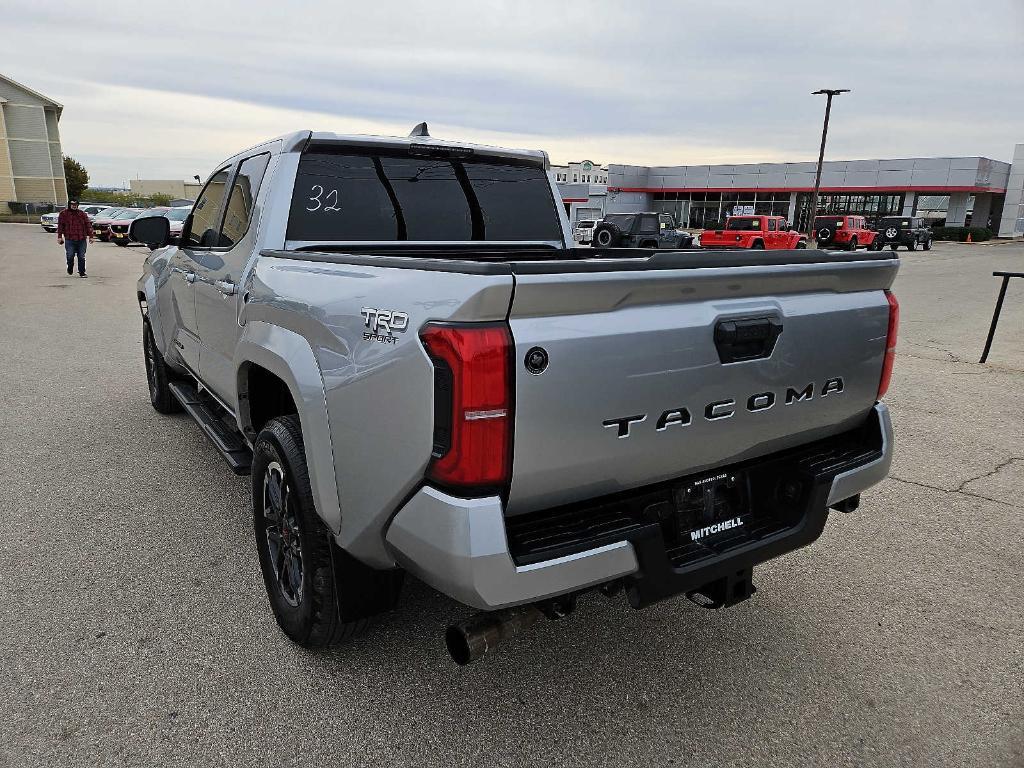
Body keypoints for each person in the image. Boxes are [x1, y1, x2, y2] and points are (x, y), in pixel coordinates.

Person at [57, 199, 94, 278]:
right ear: (69, 205)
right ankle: (70, 267)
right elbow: (60, 226)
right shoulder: (63, 214)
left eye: (76, 204)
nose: (74, 206)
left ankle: (82, 272)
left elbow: (88, 225)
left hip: (81, 239)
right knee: (70, 255)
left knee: (81, 256)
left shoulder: (82, 214)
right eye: (72, 204)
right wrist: (59, 237)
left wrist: (91, 236)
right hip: (69, 239)